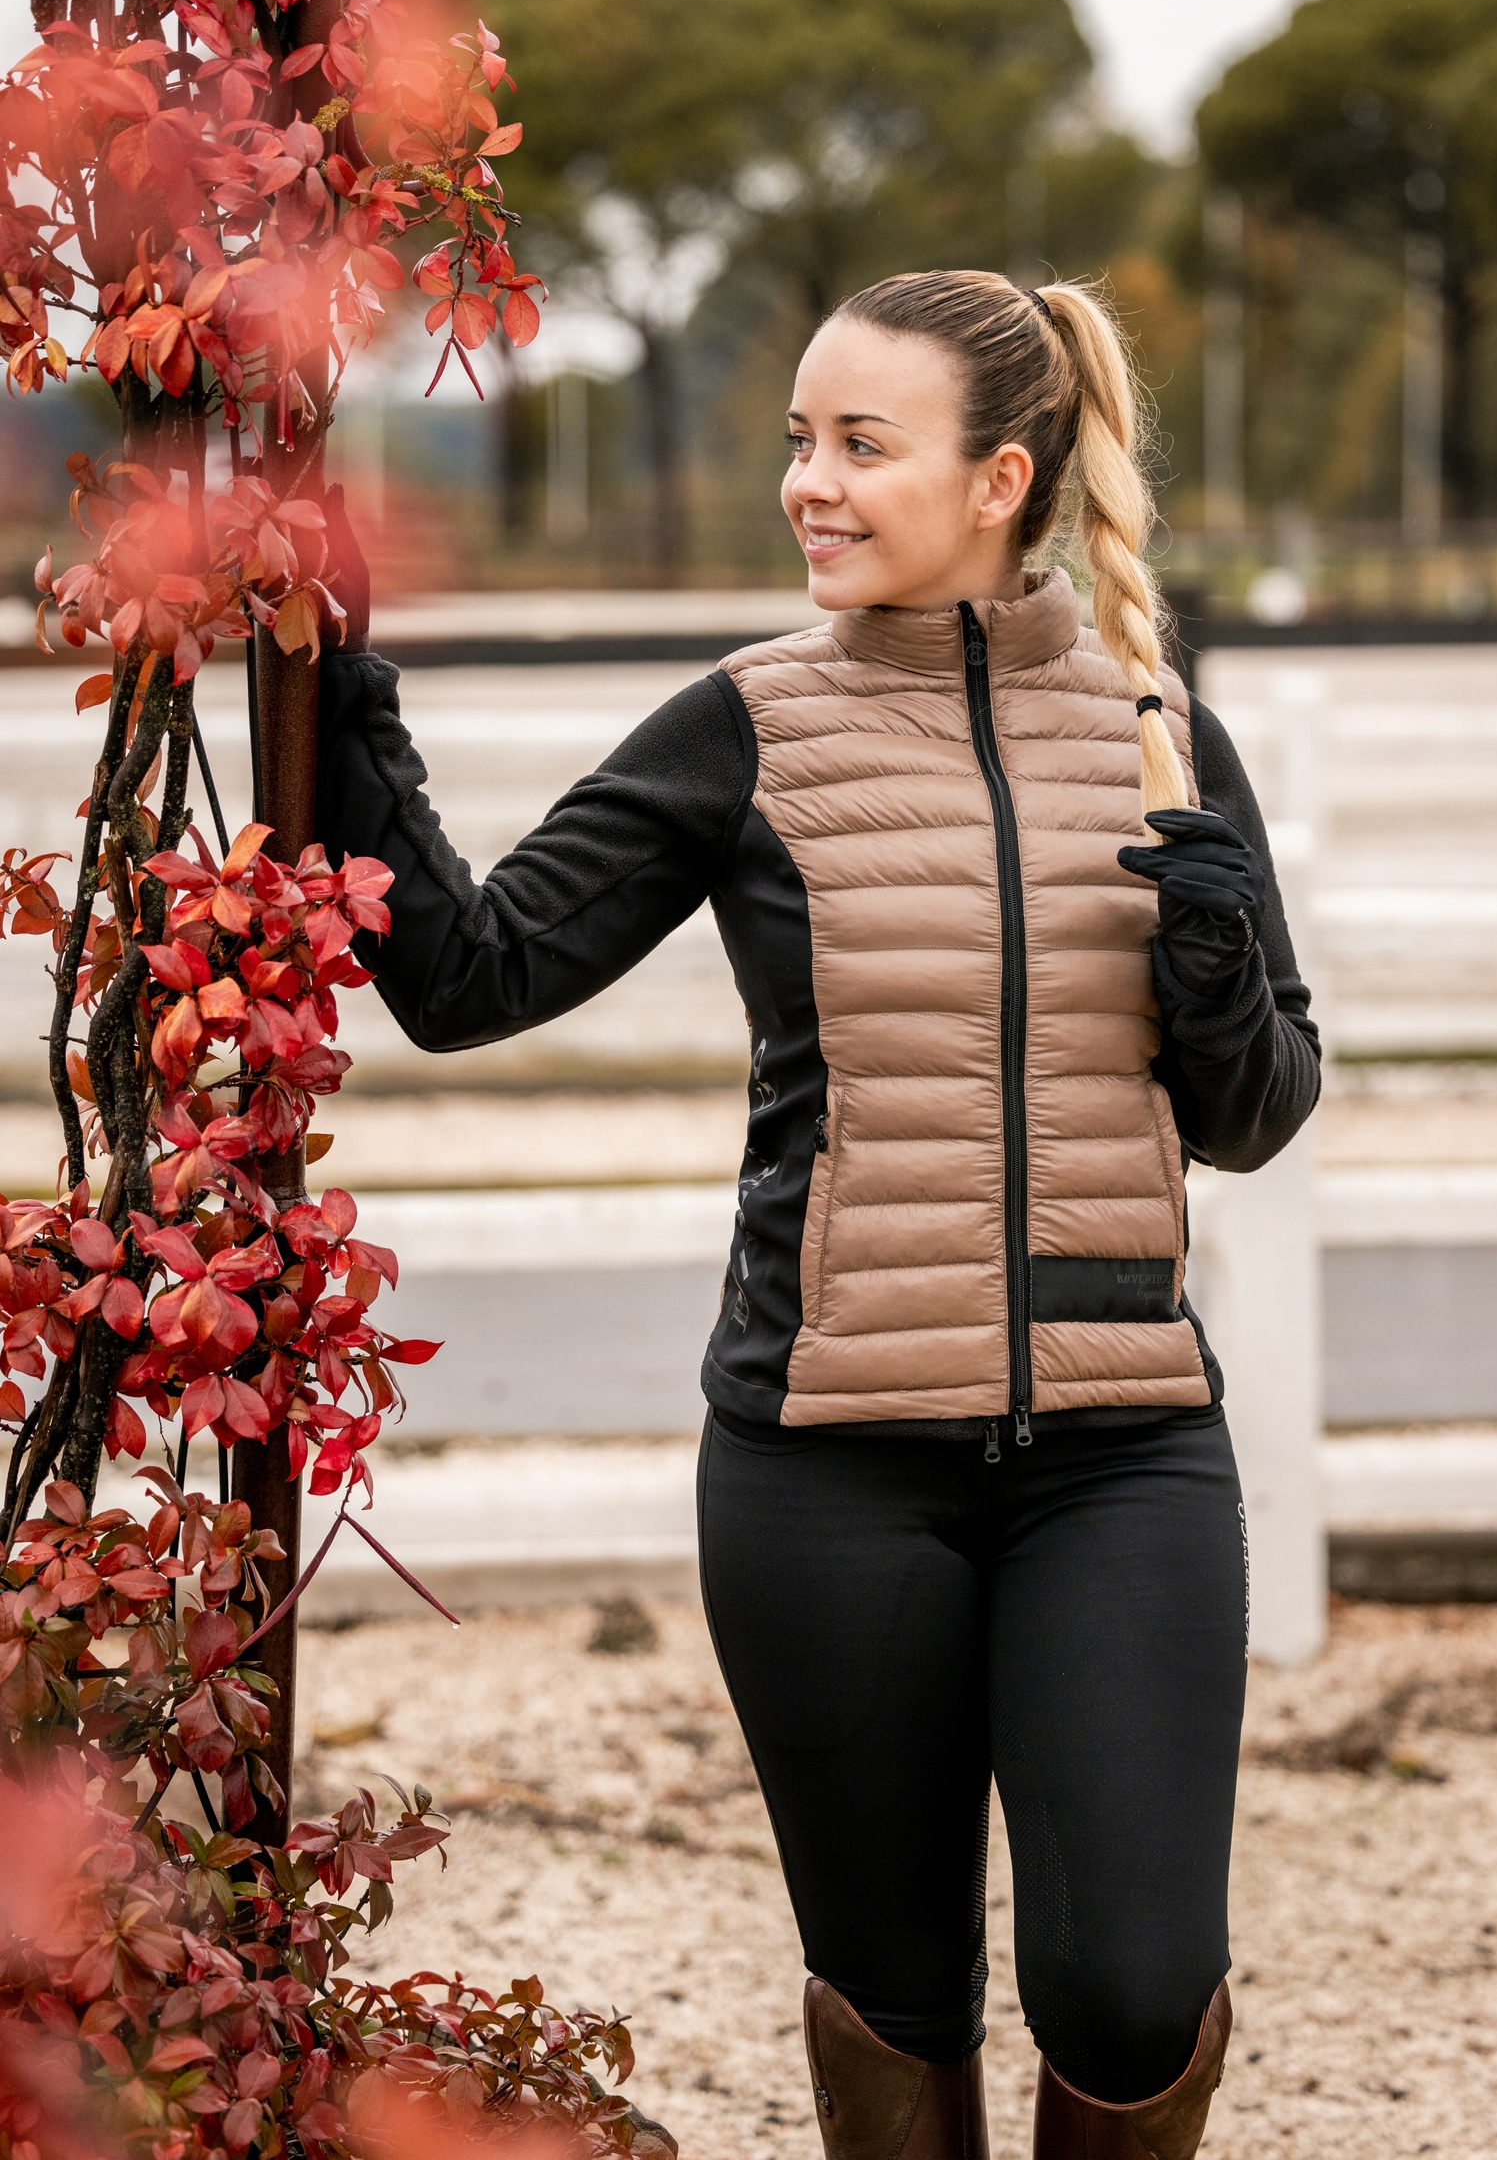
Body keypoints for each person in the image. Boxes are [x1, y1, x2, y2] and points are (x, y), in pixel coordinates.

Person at [315, 269, 1319, 2160]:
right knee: (896, 1990)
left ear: (1001, 475)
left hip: (1124, 1458)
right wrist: (346, 707)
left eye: (863, 445)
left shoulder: (1158, 728)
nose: (811, 484)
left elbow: (1260, 1114)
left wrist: (1211, 969)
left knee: (1130, 1984)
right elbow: (469, 975)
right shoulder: (746, 728)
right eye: (800, 440)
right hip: (825, 1459)